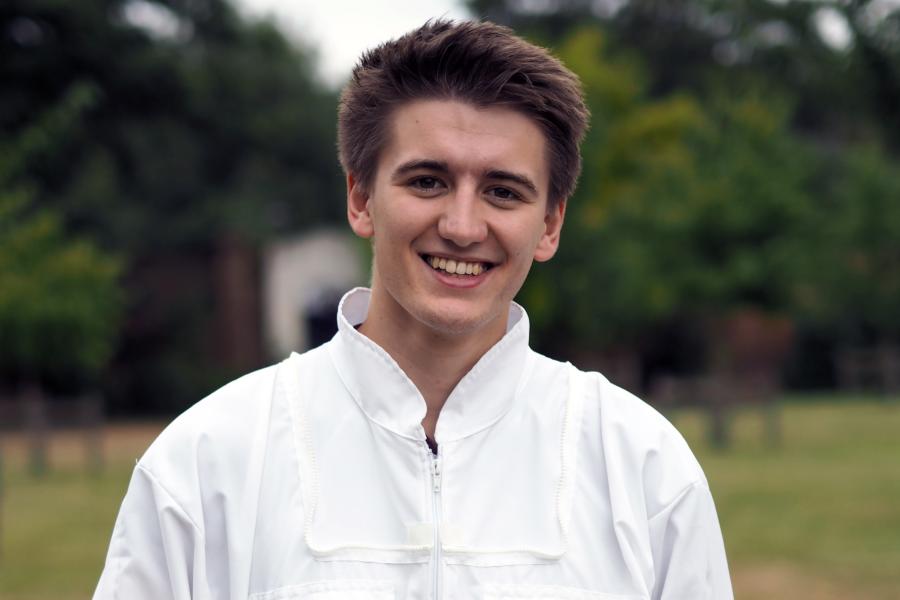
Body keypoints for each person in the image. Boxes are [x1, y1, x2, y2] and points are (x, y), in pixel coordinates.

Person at [94, 19, 733, 600]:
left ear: (550, 225)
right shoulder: (211, 461)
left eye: (503, 192)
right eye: (426, 181)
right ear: (362, 198)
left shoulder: (640, 466)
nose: (460, 225)